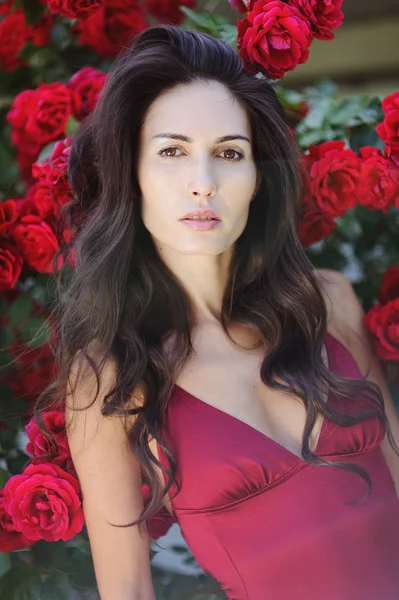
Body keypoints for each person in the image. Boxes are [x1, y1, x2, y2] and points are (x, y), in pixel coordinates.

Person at [37, 24, 399, 600]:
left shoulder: (326, 303)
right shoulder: (111, 377)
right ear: (132, 175)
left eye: (229, 153)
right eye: (173, 152)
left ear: (257, 178)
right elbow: (126, 590)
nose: (202, 183)